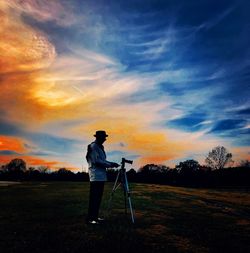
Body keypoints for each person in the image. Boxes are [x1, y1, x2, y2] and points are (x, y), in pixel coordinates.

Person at [85, 130, 119, 225]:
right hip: (95, 176)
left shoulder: (100, 147)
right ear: (98, 137)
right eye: (103, 137)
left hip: (101, 176)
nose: (105, 139)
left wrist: (110, 163)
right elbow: (97, 161)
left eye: (105, 137)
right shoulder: (93, 146)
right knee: (94, 198)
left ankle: (95, 217)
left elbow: (103, 160)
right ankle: (90, 219)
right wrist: (111, 164)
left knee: (98, 198)